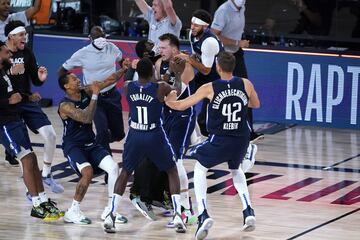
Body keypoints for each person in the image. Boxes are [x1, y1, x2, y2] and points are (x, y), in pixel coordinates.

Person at [165, 52, 259, 240]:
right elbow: (255, 104)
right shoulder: (245, 84)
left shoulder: (210, 87)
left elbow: (182, 105)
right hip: (241, 138)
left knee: (200, 169)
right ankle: (248, 211)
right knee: (236, 169)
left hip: (220, 138)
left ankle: (203, 214)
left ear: (218, 67)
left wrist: (168, 101)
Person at [103, 58, 186, 234]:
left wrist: (165, 74)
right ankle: (178, 214)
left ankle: (111, 214)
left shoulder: (127, 86)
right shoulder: (160, 87)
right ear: (151, 73)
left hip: (135, 135)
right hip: (154, 134)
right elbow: (176, 91)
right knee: (171, 170)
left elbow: (147, 85)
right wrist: (177, 73)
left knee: (125, 172)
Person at [57, 62, 130, 224]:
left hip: (91, 143)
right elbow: (86, 117)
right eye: (74, 79)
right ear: (67, 86)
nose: (78, 81)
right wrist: (95, 96)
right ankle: (73, 211)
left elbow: (109, 81)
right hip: (73, 146)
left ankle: (110, 210)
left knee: (113, 168)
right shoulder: (65, 105)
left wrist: (124, 69)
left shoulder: (86, 91)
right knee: (88, 172)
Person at [0, 40, 61, 221]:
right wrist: (8, 102)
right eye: (5, 52)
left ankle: (43, 200)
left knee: (32, 159)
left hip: (15, 120)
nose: (9, 54)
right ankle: (35, 204)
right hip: (5, 125)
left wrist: (28, 96)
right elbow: (7, 99)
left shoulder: (3, 71)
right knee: (26, 159)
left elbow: (13, 94)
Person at [4, 20, 63, 194]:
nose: (25, 37)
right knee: (25, 151)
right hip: (9, 106)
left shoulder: (28, 53)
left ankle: (46, 174)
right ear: (11, 36)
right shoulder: (2, 53)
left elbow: (34, 79)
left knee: (51, 135)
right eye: (21, 34)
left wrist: (40, 78)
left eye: (25, 34)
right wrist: (9, 72)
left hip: (27, 101)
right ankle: (32, 192)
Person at [58, 25, 125, 156]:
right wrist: (67, 89)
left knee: (119, 134)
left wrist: (125, 66)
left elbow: (121, 61)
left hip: (112, 95)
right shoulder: (82, 53)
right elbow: (62, 70)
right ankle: (106, 165)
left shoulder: (112, 48)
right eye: (97, 37)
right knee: (102, 131)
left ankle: (99, 143)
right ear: (90, 38)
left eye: (103, 36)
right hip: (94, 97)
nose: (101, 39)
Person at [155, 33, 197, 226]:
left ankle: (186, 210)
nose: (159, 51)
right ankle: (178, 205)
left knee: (176, 161)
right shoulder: (158, 64)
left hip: (182, 115)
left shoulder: (186, 66)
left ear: (174, 49)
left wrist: (173, 74)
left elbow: (176, 92)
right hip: (166, 115)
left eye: (163, 48)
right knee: (168, 162)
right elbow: (159, 91)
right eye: (159, 47)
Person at [212, 0, 264, 143]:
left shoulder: (242, 7)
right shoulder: (223, 10)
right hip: (223, 54)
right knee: (219, 90)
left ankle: (248, 130)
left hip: (236, 53)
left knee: (244, 88)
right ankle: (207, 123)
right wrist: (236, 42)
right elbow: (214, 34)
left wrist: (238, 44)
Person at [178, 9, 223, 137]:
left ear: (205, 26)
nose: (192, 27)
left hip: (216, 77)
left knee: (207, 117)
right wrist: (190, 57)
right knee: (185, 97)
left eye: (196, 25)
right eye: (192, 23)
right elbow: (197, 56)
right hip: (205, 75)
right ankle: (188, 132)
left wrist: (189, 60)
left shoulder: (209, 42)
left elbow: (206, 69)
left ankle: (207, 139)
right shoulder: (192, 35)